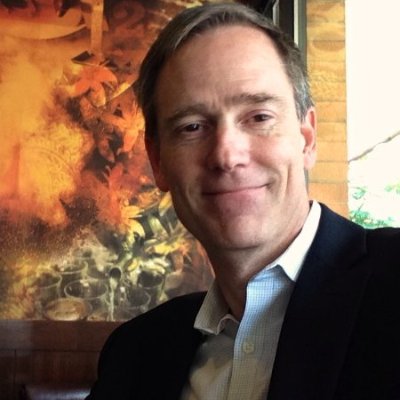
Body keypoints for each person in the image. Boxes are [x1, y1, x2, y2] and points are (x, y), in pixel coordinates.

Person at [86, 3, 400, 399]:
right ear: (158, 161)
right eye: (192, 126)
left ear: (307, 138)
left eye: (259, 117)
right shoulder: (135, 354)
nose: (226, 155)